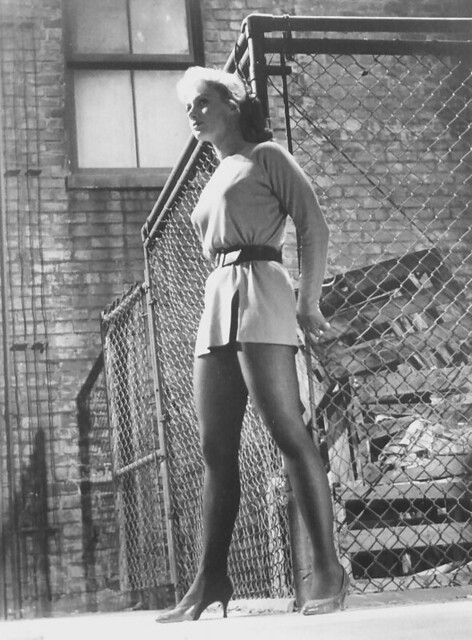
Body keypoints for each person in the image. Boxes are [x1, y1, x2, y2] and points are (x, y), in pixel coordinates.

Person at [156, 66, 347, 623]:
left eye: (202, 103)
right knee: (216, 450)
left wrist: (308, 303)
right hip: (217, 299)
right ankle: (210, 580)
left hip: (261, 290)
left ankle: (328, 571)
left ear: (233, 104)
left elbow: (313, 225)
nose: (192, 113)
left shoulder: (269, 157)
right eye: (188, 107)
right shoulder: (214, 174)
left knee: (287, 430)